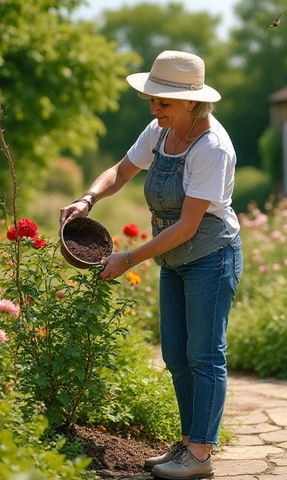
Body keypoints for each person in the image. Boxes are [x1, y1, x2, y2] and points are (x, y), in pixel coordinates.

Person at [59, 50, 242, 480]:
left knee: (205, 355)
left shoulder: (211, 147)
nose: (153, 107)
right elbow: (121, 172)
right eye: (152, 99)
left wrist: (128, 258)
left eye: (162, 101)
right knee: (176, 355)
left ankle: (200, 455)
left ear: (192, 103)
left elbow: (187, 225)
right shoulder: (160, 131)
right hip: (174, 259)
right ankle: (188, 443)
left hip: (210, 258)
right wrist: (88, 198)